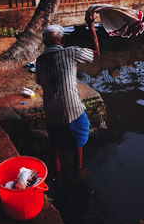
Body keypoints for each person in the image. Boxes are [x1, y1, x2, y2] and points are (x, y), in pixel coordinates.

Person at [35, 13, 100, 177]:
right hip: (73, 111)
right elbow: (95, 52)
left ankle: (57, 176)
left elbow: (39, 81)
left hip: (51, 113)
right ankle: (78, 168)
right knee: (78, 139)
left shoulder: (40, 61)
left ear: (44, 43)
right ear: (63, 42)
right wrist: (91, 26)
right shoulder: (71, 52)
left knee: (55, 146)